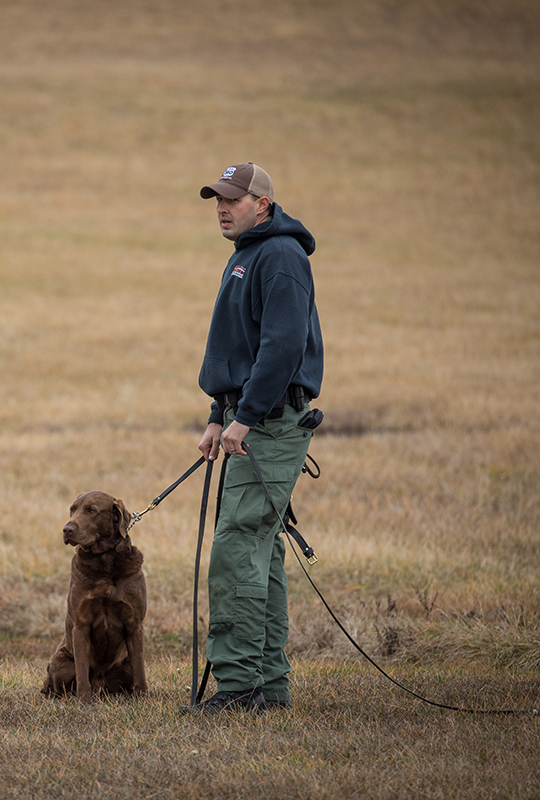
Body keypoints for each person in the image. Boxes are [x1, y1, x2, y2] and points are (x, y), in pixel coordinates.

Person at [184, 162, 323, 713]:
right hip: (246, 419)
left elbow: (282, 347)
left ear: (262, 204)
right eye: (217, 199)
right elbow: (237, 346)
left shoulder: (281, 257)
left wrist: (246, 417)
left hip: (269, 424)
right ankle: (268, 688)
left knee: (238, 547)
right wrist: (219, 413)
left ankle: (241, 688)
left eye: (233, 199)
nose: (222, 207)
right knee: (258, 553)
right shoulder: (245, 255)